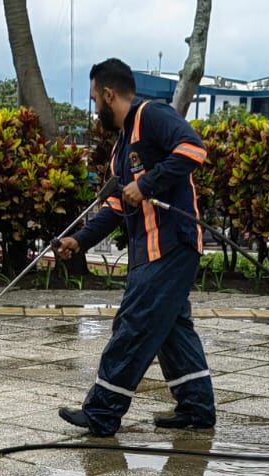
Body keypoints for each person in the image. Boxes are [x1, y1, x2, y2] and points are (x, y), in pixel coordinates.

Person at [55, 57, 213, 435]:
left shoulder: (153, 116)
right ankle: (196, 409)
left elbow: (194, 150)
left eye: (95, 100)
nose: (95, 109)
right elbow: (114, 205)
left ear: (109, 94)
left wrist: (146, 185)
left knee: (134, 323)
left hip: (172, 244)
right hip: (148, 251)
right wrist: (79, 240)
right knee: (172, 329)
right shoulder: (120, 148)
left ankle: (102, 412)